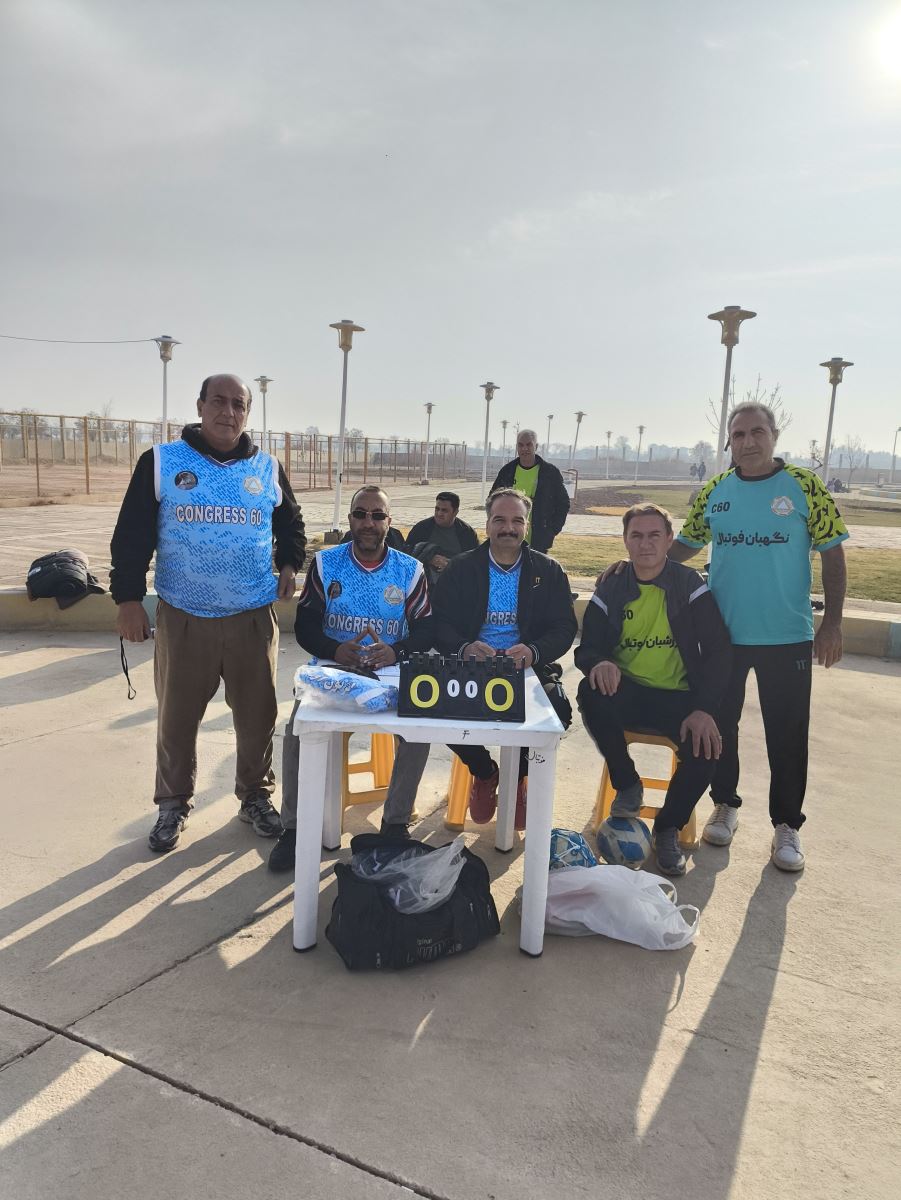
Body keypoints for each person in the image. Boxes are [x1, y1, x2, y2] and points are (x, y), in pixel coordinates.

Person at [111, 374, 306, 853]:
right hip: (184, 616)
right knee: (177, 719)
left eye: (239, 404)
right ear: (200, 405)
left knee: (258, 717)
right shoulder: (162, 462)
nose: (228, 411)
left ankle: (255, 796)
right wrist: (129, 599)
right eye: (218, 401)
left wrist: (289, 563)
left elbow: (291, 523)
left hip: (252, 616)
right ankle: (172, 802)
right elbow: (132, 534)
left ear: (248, 413)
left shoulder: (266, 467)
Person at [674, 403, 849, 870]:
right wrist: (634, 566)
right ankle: (724, 804)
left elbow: (833, 554)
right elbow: (686, 545)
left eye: (757, 432)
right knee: (719, 726)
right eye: (738, 434)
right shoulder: (715, 491)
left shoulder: (805, 486)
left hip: (787, 636)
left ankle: (787, 825)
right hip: (723, 637)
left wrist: (832, 623)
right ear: (729, 442)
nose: (748, 442)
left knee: (787, 733)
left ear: (774, 435)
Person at [269, 485, 434, 871]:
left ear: (389, 522)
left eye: (377, 516)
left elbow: (427, 629)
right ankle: (294, 828)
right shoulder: (327, 564)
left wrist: (396, 651)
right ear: (350, 519)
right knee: (298, 729)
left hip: (389, 670)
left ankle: (395, 824)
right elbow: (305, 625)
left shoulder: (410, 570)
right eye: (361, 514)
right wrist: (334, 648)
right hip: (334, 669)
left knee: (419, 728)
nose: (368, 523)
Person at [575, 504, 732, 875]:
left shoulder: (688, 584)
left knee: (707, 749)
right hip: (628, 691)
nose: (645, 544)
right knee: (590, 691)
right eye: (636, 535)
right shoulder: (613, 585)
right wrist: (600, 662)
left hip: (679, 697)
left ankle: (667, 828)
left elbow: (719, 649)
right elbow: (587, 647)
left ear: (669, 539)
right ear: (625, 541)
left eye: (654, 535)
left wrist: (705, 708)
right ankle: (627, 784)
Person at [432, 488, 577, 829]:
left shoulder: (548, 571)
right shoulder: (461, 568)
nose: (508, 528)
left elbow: (564, 627)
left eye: (516, 521)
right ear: (487, 525)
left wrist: (533, 651)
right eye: (499, 520)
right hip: (473, 667)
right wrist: (465, 648)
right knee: (436, 705)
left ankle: (519, 777)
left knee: (557, 710)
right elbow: (438, 623)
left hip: (527, 669)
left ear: (526, 526)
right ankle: (485, 771)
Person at [490, 429, 570, 552]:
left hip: (539, 540)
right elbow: (492, 500)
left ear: (536, 446)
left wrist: (553, 529)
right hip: (509, 536)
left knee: (536, 565)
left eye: (529, 444)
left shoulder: (550, 472)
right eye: (520, 445)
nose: (524, 449)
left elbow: (563, 503)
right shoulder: (507, 471)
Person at [405, 491, 479, 584]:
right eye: (437, 509)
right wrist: (429, 557)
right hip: (425, 582)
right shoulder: (421, 528)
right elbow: (407, 552)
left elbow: (475, 561)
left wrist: (451, 565)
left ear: (455, 512)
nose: (439, 513)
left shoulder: (467, 533)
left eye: (444, 510)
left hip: (457, 582)